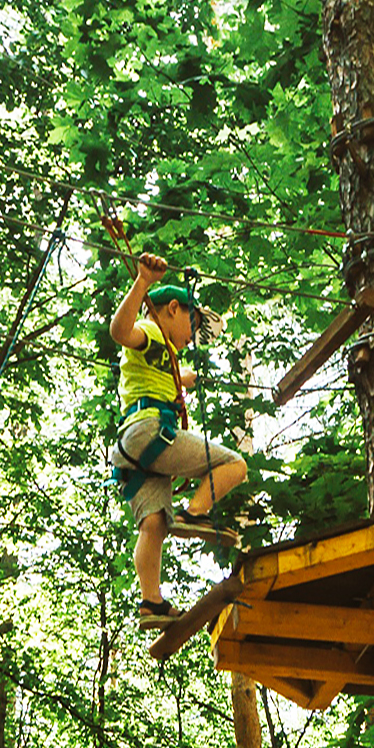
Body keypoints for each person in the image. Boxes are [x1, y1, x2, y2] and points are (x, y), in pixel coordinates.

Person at [108, 252, 246, 630]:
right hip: (151, 432)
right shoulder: (152, 333)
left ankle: (151, 603)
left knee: (153, 524)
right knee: (235, 465)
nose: (192, 336)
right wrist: (142, 283)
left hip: (132, 452)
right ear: (172, 309)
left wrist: (184, 379)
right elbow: (122, 333)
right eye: (192, 323)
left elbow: (170, 371)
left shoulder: (165, 357)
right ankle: (195, 514)